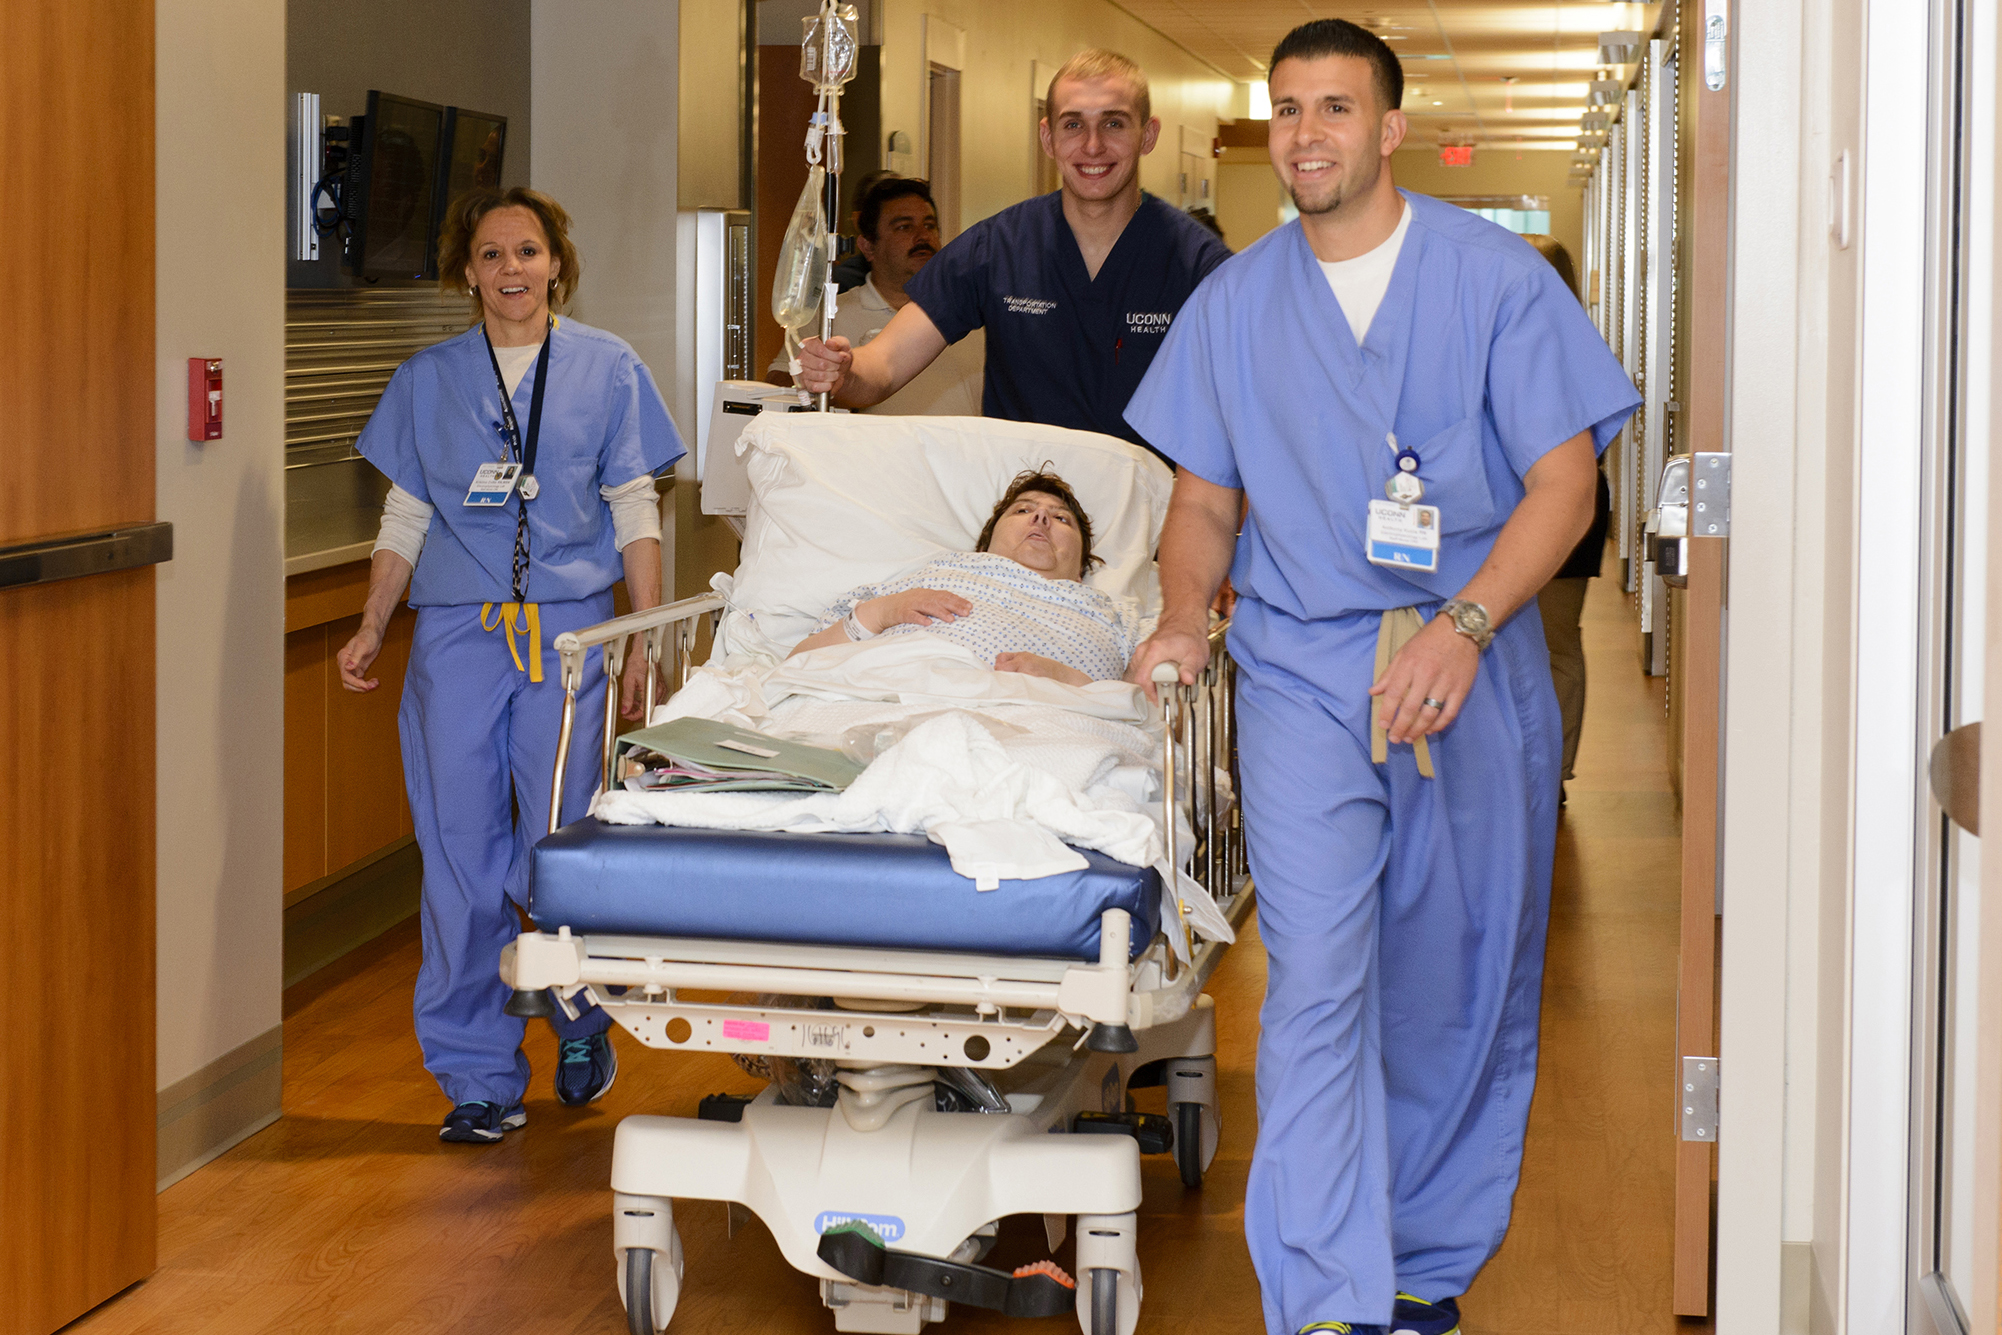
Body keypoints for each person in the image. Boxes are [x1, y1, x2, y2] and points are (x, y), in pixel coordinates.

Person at [1122, 20, 1640, 1335]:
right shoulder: (1234, 302)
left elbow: (1563, 483)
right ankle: (1321, 1295)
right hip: (1300, 665)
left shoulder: (1496, 280)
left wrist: (1461, 626)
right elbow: (1199, 502)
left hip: (1468, 660)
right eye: (1287, 106)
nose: (1307, 132)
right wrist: (1185, 615)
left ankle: (1421, 1259)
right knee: (1316, 978)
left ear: (1389, 127)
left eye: (1335, 107)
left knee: (1458, 974)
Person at [337, 187, 684, 1145]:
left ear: (556, 264)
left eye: (527, 251)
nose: (511, 270)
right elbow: (404, 518)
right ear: (468, 274)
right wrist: (373, 621)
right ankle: (477, 1074)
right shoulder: (427, 378)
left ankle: (579, 1021)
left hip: (571, 636)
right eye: (490, 255)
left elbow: (635, 508)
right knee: (459, 859)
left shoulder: (608, 368)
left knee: (560, 842)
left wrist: (644, 635)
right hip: (456, 634)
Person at [795, 49, 1231, 457]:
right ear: (1048, 137)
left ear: (1147, 134)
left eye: (1114, 123)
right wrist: (843, 373)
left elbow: (1247, 411)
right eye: (1073, 124)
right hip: (1028, 517)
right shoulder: (997, 248)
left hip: (1148, 520)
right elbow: (884, 365)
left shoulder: (1198, 264)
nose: (1093, 145)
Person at [786, 470, 1131, 685]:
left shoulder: (1116, 619)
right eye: (1023, 510)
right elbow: (798, 664)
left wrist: (1067, 680)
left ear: (1083, 566)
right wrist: (882, 612)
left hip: (1038, 732)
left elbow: (1151, 718)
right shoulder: (933, 575)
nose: (1041, 516)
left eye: (1061, 519)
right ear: (986, 542)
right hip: (888, 700)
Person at [766, 176, 986, 415]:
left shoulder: (970, 314)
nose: (923, 236)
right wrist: (826, 381)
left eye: (929, 225)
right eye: (904, 227)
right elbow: (777, 382)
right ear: (868, 247)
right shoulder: (830, 317)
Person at [1521, 234, 1610, 802]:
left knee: (1554, 642)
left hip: (1565, 511)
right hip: (1502, 514)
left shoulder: (1576, 351)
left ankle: (1550, 772)